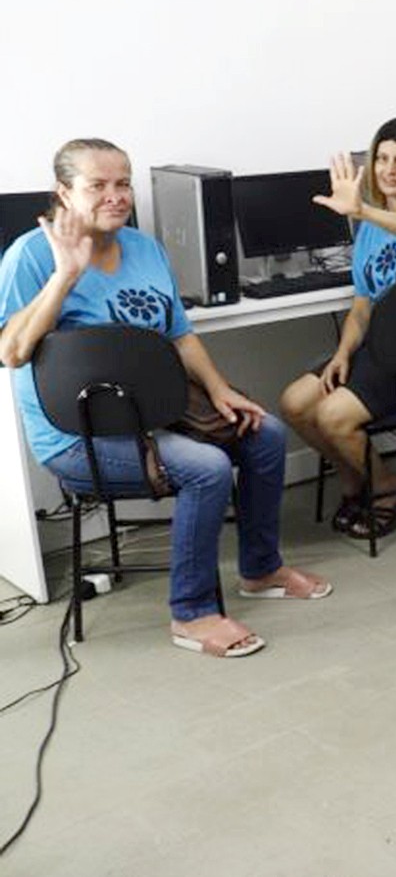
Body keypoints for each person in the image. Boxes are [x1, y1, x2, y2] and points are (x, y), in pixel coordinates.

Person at [0, 139, 331, 659]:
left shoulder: (145, 248)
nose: (116, 195)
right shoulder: (30, 255)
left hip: (161, 411)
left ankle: (261, 569)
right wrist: (65, 277)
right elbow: (13, 352)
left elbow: (180, 334)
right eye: (99, 185)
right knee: (207, 468)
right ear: (64, 193)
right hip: (78, 436)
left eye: (123, 183)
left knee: (263, 431)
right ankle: (193, 612)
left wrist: (220, 390)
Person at [279, 117, 396, 539]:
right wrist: (343, 353)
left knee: (332, 416)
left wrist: (364, 209)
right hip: (380, 352)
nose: (390, 170)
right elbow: (362, 307)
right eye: (382, 159)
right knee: (295, 402)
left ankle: (386, 486)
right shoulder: (367, 232)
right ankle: (355, 481)